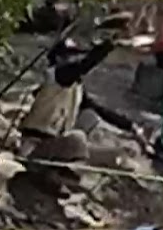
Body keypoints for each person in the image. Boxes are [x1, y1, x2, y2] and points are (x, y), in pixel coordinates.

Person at [20, 35, 115, 164]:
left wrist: (132, 127)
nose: (75, 59)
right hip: (35, 140)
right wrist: (109, 44)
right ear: (58, 58)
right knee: (78, 138)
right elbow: (84, 65)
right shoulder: (57, 75)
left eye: (76, 55)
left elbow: (99, 109)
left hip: (55, 140)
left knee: (90, 121)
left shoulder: (75, 86)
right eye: (70, 56)